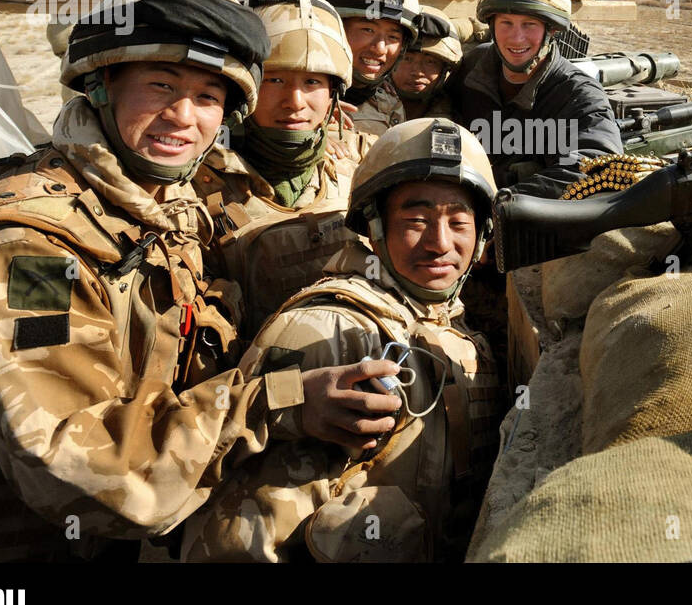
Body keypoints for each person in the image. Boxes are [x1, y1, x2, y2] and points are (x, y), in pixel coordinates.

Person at [0, 0, 334, 562]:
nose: (182, 117)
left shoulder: (157, 202)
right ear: (100, 87)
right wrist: (281, 402)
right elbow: (70, 466)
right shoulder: (30, 253)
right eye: (160, 87)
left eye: (207, 97)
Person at [182, 118, 504, 563]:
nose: (439, 243)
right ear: (374, 227)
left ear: (483, 235)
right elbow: (237, 534)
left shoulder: (456, 329)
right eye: (415, 219)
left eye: (459, 222)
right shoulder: (327, 329)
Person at [192, 0, 360, 336]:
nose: (294, 101)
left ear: (334, 93)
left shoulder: (360, 162)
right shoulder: (194, 179)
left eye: (312, 81)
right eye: (276, 79)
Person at [451, 0, 621, 198]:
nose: (516, 38)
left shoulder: (578, 95)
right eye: (506, 23)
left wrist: (502, 205)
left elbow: (598, 168)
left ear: (551, 29)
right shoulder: (472, 68)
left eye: (529, 24)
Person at [323, 0, 421, 136]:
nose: (380, 48)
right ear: (335, 28)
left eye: (393, 37)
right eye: (368, 30)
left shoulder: (388, 102)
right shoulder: (300, 99)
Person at [391, 4, 462, 121]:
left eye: (430, 62)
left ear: (445, 69)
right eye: (407, 59)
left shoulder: (461, 113)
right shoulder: (359, 106)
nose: (417, 72)